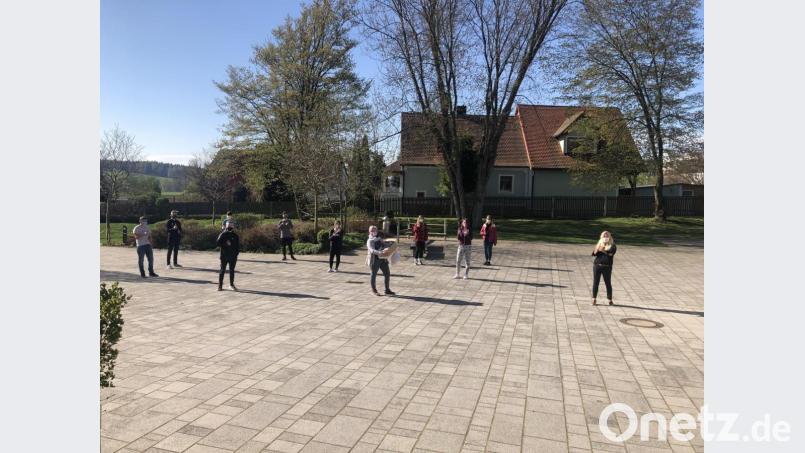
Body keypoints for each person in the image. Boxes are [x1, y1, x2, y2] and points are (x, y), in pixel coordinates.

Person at [366, 225, 395, 296]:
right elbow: (372, 250)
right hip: (374, 259)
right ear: (369, 232)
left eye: (374, 230)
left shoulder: (379, 238)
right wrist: (380, 252)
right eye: (372, 230)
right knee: (373, 275)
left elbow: (384, 244)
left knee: (387, 274)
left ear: (377, 231)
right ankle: (374, 290)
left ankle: (387, 290)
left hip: (383, 259)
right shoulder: (370, 241)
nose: (373, 232)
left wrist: (390, 246)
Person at [591, 230, 617, 305]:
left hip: (607, 267)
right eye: (604, 236)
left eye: (607, 236)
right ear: (602, 237)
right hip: (597, 266)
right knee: (596, 282)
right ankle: (594, 298)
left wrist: (604, 250)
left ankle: (610, 299)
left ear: (610, 237)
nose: (605, 237)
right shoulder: (599, 244)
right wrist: (597, 248)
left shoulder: (613, 245)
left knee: (608, 283)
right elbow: (594, 254)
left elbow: (611, 254)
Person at [216, 221, 240, 291]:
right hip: (224, 256)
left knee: (232, 271)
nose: (230, 227)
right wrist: (225, 244)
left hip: (233, 257)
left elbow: (237, 247)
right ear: (226, 226)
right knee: (222, 270)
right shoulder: (223, 234)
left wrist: (236, 255)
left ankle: (231, 285)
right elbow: (217, 243)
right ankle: (220, 285)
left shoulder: (235, 236)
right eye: (228, 225)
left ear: (233, 227)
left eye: (231, 225)